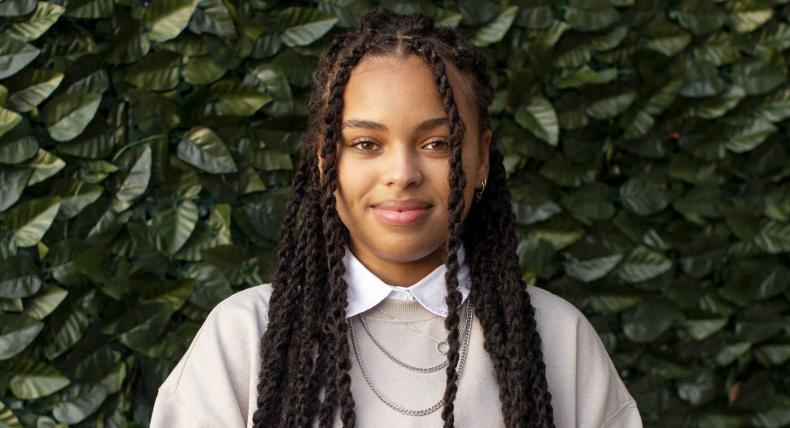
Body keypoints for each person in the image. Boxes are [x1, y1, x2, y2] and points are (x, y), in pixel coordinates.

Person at [150, 10, 642, 428]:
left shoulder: (557, 338)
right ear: (326, 162)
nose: (402, 173)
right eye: (366, 144)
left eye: (437, 143)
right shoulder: (244, 337)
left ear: (482, 160)